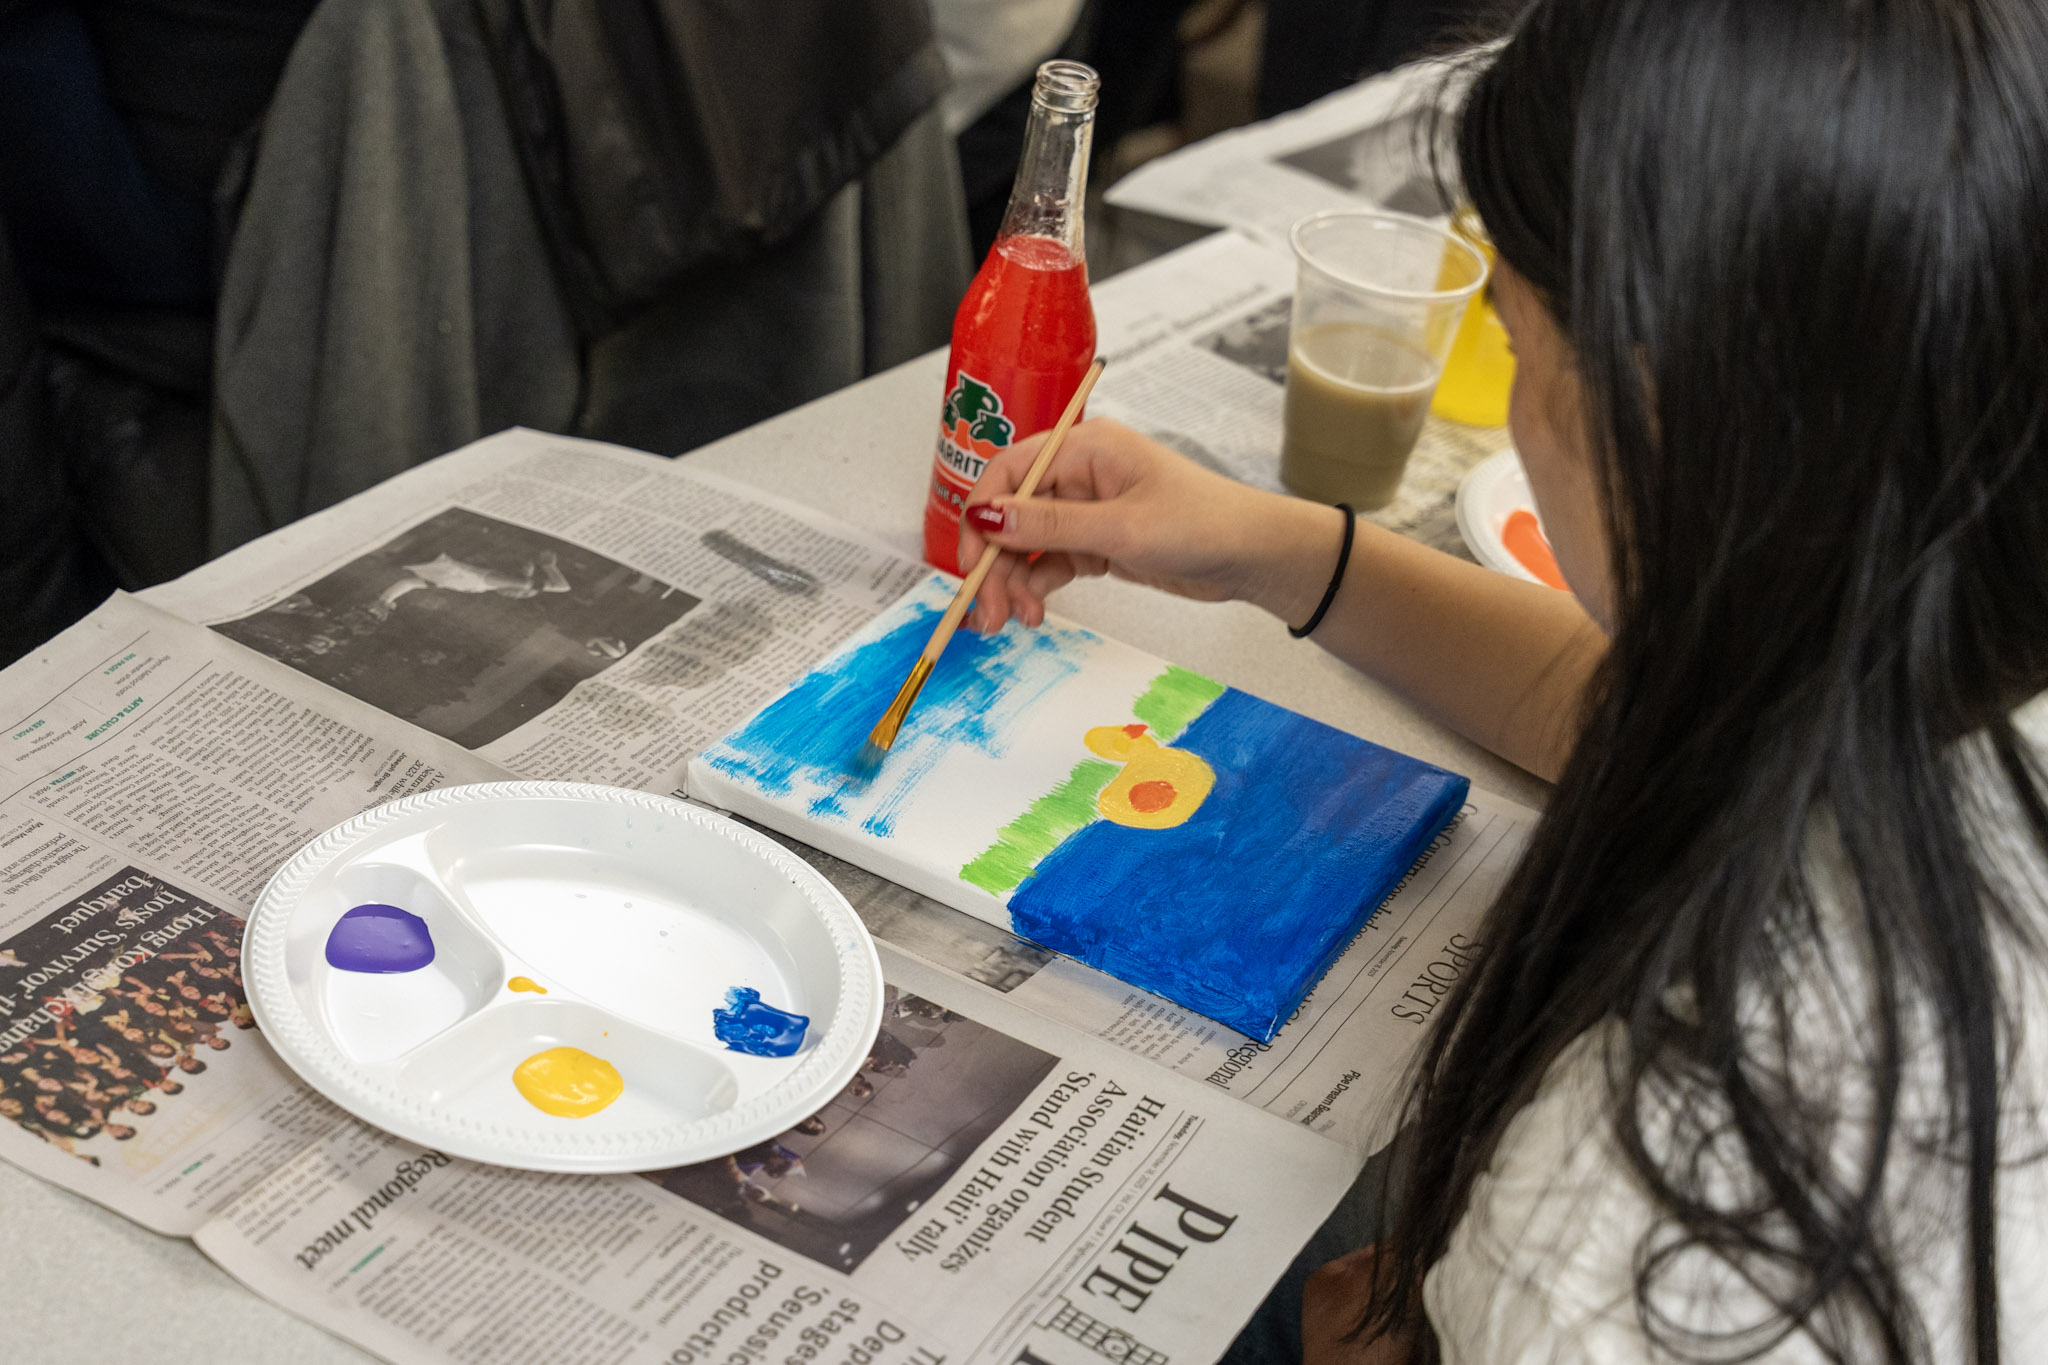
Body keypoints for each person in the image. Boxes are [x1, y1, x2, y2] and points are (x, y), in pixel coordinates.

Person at [955, 1, 2048, 1361]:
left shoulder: (1617, 1240)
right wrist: (1275, 549)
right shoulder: (1948, 652)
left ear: (1663, 420)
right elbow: (1648, 716)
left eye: (1524, 347)